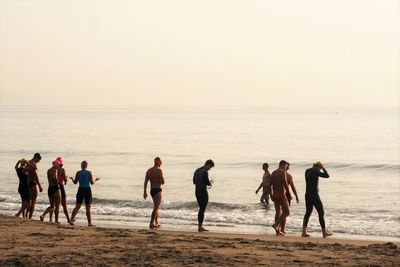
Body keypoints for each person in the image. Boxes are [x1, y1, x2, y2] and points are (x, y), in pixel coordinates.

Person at [302, 162, 333, 238]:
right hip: (314, 195)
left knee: (308, 212)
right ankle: (324, 232)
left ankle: (303, 232)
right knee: (321, 212)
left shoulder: (307, 170)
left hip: (307, 194)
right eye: (320, 168)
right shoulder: (316, 170)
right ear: (318, 167)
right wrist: (323, 168)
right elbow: (327, 176)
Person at [69, 161, 100, 226]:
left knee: (77, 206)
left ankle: (71, 219)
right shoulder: (89, 173)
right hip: (87, 190)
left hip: (80, 189)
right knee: (88, 207)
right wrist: (96, 180)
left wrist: (72, 178)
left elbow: (75, 182)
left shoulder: (78, 172)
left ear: (81, 166)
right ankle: (89, 223)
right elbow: (92, 183)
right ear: (86, 166)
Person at [269, 160, 291, 236]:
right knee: (287, 212)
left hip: (274, 195)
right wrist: (289, 193)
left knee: (278, 212)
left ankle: (278, 231)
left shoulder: (273, 173)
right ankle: (276, 224)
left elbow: (270, 185)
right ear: (283, 165)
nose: (286, 167)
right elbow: (285, 184)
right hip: (281, 195)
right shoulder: (282, 172)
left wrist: (271, 195)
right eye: (286, 166)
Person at [143, 157, 165, 230]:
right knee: (156, 208)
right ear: (158, 162)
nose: (161, 164)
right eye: (160, 162)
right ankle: (151, 223)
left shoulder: (149, 170)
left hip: (152, 190)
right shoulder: (159, 170)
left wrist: (145, 192)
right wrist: (161, 179)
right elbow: (162, 182)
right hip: (158, 190)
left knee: (156, 207)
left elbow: (146, 182)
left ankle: (156, 222)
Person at [193, 159, 215, 232]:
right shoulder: (205, 172)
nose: (210, 169)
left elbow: (194, 182)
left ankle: (200, 226)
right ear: (208, 165)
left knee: (201, 209)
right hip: (203, 191)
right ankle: (200, 227)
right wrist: (210, 183)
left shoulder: (197, 170)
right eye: (210, 167)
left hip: (197, 191)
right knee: (202, 209)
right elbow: (207, 182)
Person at [49, 157, 71, 223]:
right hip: (60, 186)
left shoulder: (52, 170)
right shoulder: (62, 170)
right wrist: (66, 177)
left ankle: (51, 219)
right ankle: (68, 220)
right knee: (64, 205)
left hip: (53, 187)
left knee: (53, 205)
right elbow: (65, 180)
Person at [280, 162, 299, 233]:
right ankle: (282, 229)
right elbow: (293, 187)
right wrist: (296, 196)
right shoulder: (289, 176)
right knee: (285, 212)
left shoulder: (276, 174)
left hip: (278, 194)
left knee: (280, 212)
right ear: (287, 167)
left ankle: (279, 227)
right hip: (286, 195)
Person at [26, 153, 43, 219]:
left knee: (29, 201)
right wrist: (40, 186)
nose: (38, 162)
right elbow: (36, 177)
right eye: (38, 160)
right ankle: (30, 217)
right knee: (33, 201)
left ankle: (26, 215)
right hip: (33, 183)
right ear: (36, 158)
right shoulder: (33, 164)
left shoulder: (28, 162)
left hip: (28, 183)